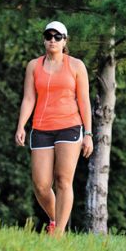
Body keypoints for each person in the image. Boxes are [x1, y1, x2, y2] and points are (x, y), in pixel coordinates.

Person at [15, 21, 93, 236]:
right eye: (48, 36)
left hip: (70, 126)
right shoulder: (34, 65)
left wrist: (88, 134)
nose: (52, 40)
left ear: (65, 40)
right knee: (40, 185)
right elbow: (29, 98)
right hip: (41, 127)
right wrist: (21, 125)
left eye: (57, 37)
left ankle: (58, 232)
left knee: (63, 179)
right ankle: (55, 219)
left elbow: (84, 101)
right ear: (44, 39)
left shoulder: (76, 66)